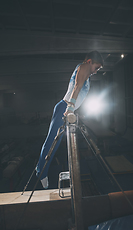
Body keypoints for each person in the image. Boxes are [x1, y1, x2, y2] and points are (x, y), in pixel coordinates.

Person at [36, 51, 103, 188]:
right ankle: (41, 171)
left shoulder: (87, 73)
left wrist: (75, 110)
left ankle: (41, 168)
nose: (96, 71)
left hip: (67, 108)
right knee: (52, 141)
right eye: (96, 67)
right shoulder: (84, 66)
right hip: (64, 108)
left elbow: (79, 94)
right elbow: (77, 87)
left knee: (56, 141)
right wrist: (71, 107)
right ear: (90, 61)